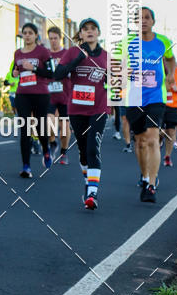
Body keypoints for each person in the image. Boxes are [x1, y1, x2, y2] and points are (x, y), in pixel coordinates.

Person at [38, 18, 108, 209]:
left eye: (93, 28)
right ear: (81, 34)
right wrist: (78, 59)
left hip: (99, 108)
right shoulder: (72, 52)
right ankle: (88, 181)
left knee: (93, 148)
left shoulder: (107, 56)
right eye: (85, 29)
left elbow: (116, 84)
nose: (90, 31)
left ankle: (92, 193)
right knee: (83, 151)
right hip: (77, 109)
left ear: (98, 33)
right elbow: (58, 75)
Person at [123, 7, 175, 203]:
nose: (143, 21)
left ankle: (151, 185)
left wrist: (170, 74)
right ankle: (145, 176)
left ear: (153, 21)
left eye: (147, 17)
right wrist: (124, 71)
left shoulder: (163, 41)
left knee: (152, 138)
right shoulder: (127, 42)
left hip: (156, 96)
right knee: (140, 141)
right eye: (139, 18)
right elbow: (116, 66)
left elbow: (170, 59)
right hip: (134, 97)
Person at [13, 23, 52, 177]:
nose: (27, 35)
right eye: (25, 33)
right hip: (22, 94)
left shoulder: (43, 51)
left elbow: (51, 73)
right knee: (25, 130)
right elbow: (15, 69)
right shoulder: (17, 53)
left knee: (40, 128)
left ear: (36, 35)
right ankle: (26, 166)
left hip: (40, 94)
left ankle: (46, 149)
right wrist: (15, 72)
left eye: (30, 33)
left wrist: (34, 68)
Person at [46, 25, 70, 164]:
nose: (53, 41)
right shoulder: (45, 55)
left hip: (65, 95)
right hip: (50, 95)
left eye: (55, 38)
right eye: (51, 38)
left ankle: (64, 152)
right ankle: (52, 142)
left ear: (60, 38)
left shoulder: (67, 54)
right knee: (49, 122)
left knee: (65, 128)